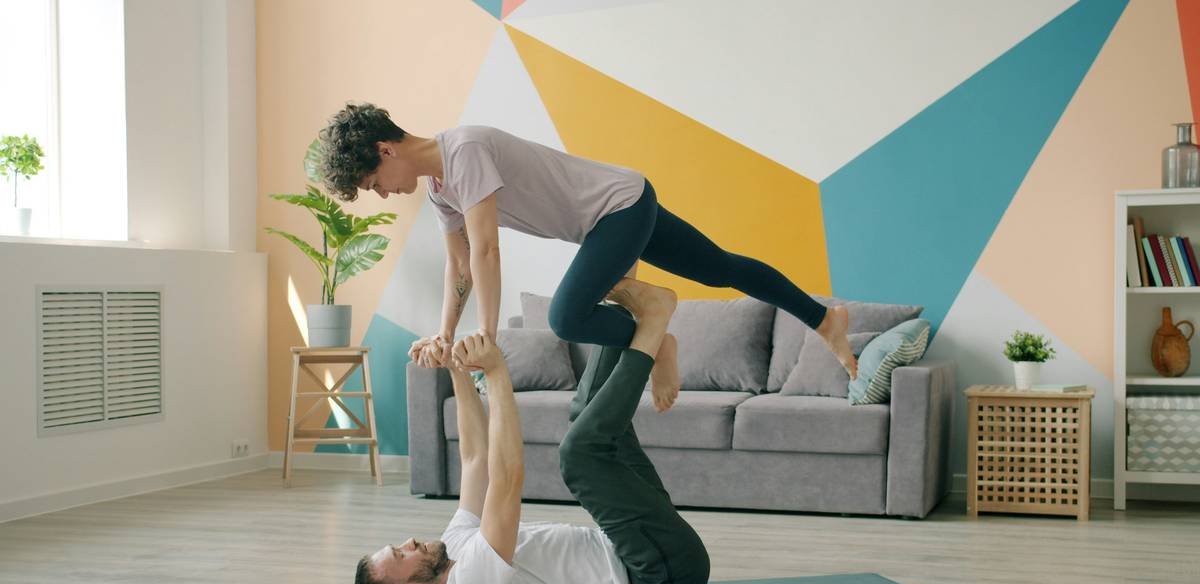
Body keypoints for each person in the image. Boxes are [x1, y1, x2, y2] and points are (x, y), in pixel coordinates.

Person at [318, 103, 858, 413]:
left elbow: (486, 249)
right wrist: (444, 333)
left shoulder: (465, 151)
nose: (383, 193)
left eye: (373, 182)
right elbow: (458, 266)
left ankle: (657, 329)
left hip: (618, 208)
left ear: (386, 151)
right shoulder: (440, 190)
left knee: (566, 317)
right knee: (722, 268)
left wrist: (487, 338)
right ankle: (824, 318)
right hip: (616, 210)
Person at [354, 278, 709, 584]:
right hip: (660, 579)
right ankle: (655, 321)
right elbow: (506, 479)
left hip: (637, 546)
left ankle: (642, 331)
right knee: (581, 454)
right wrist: (495, 372)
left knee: (583, 413)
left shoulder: (453, 550)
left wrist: (455, 368)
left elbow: (475, 457)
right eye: (401, 553)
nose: (409, 542)